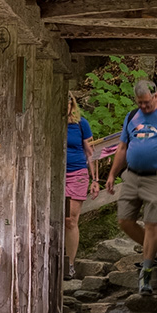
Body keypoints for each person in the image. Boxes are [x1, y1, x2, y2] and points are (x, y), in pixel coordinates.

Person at [117, 76, 157, 294]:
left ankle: (145, 276)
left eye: (147, 102)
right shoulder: (132, 117)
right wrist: (110, 175)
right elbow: (122, 148)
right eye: (140, 103)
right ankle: (154, 251)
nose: (144, 106)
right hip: (132, 175)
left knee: (152, 223)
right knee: (125, 220)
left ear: (156, 96)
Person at [62, 103, 94, 294]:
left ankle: (70, 264)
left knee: (70, 220)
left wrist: (95, 179)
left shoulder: (81, 124)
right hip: (54, 173)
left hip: (77, 173)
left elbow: (91, 152)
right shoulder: (51, 122)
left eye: (69, 102)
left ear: (72, 105)